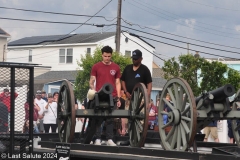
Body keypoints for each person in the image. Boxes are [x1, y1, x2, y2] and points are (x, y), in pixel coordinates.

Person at [89, 45, 121, 146]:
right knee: (98, 117)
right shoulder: (96, 66)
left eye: (109, 56)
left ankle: (110, 139)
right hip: (99, 95)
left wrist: (119, 97)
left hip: (112, 95)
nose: (107, 58)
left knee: (110, 118)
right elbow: (92, 80)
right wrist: (93, 89)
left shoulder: (116, 67)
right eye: (105, 56)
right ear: (102, 55)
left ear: (111, 56)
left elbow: (117, 82)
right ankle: (97, 138)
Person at [121, 49, 152, 134]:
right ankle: (128, 136)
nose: (134, 60)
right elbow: (123, 80)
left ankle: (139, 136)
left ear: (141, 59)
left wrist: (147, 96)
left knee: (140, 117)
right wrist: (126, 91)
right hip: (129, 96)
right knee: (128, 116)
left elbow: (149, 84)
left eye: (136, 59)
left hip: (141, 97)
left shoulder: (145, 69)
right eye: (133, 58)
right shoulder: (127, 68)